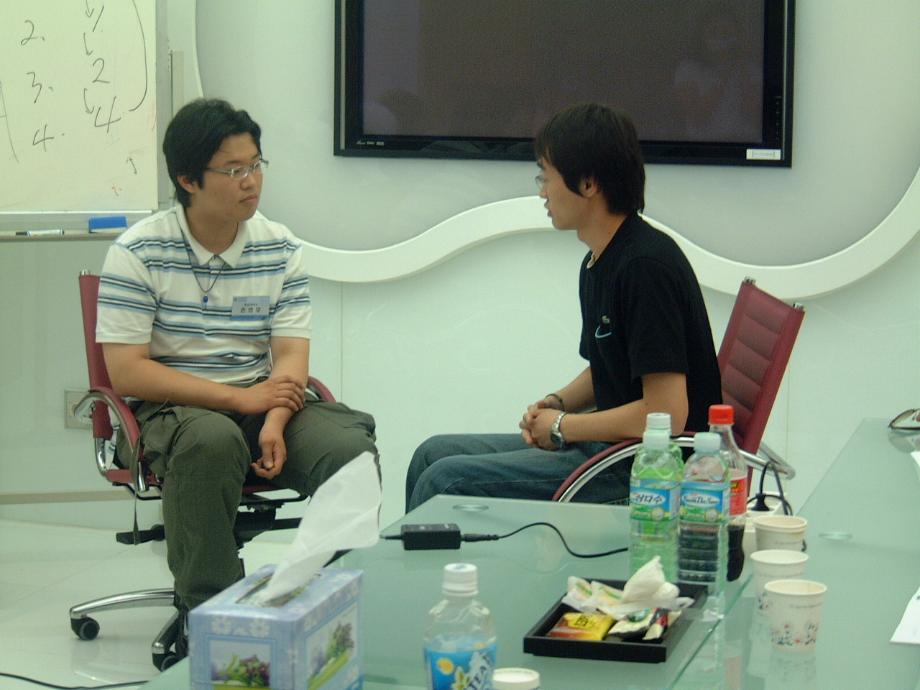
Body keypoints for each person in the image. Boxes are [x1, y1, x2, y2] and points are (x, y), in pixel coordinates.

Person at [96, 98, 377, 646]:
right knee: (211, 440)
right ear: (188, 180)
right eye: (232, 170)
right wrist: (239, 401)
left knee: (348, 449)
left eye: (255, 164)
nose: (251, 181)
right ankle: (214, 624)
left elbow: (291, 357)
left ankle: (328, 607)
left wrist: (273, 418)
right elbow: (127, 372)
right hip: (171, 411)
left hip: (262, 402)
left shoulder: (279, 248)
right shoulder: (138, 252)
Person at [406, 103, 721, 512]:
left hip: (645, 471)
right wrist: (557, 403)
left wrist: (562, 427)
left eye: (546, 176)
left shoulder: (645, 268)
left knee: (445, 480)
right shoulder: (599, 261)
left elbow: (667, 414)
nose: (542, 192)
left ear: (588, 183)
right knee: (430, 455)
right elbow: (608, 366)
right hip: (609, 448)